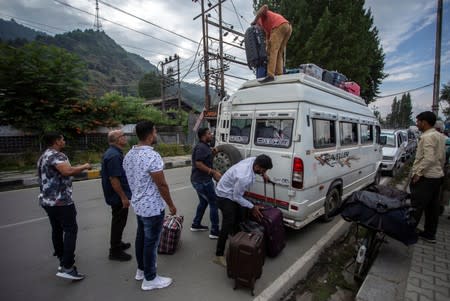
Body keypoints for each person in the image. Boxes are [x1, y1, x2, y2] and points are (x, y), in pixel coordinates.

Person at [123, 121, 177, 291]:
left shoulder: (129, 155)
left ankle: (141, 270)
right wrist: (171, 205)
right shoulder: (152, 156)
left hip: (138, 205)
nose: (156, 134)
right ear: (149, 135)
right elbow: (162, 185)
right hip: (152, 208)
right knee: (151, 243)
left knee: (141, 238)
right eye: (155, 131)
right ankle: (150, 278)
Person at [37, 132, 91, 280]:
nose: (64, 141)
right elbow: (67, 171)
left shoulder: (44, 155)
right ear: (56, 141)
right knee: (71, 230)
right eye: (62, 139)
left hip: (47, 201)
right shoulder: (57, 155)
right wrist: (84, 166)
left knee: (57, 229)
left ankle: (62, 258)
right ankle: (67, 267)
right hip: (61, 201)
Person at [214, 154, 273, 267]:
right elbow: (237, 197)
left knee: (240, 216)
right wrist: (252, 207)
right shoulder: (244, 177)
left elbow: (237, 197)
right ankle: (218, 255)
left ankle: (237, 243)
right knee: (228, 222)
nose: (263, 172)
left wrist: (264, 174)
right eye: (263, 170)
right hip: (224, 195)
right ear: (257, 166)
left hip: (232, 193)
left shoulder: (254, 160)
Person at [410, 111, 446, 243]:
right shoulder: (440, 136)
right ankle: (430, 234)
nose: (417, 123)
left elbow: (429, 158)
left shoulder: (427, 137)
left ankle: (408, 231)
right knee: (432, 207)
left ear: (424, 123)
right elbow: (442, 158)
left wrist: (418, 173)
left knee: (416, 206)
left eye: (418, 121)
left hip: (426, 177)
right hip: (437, 176)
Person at [101, 130, 132, 261]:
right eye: (123, 136)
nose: (125, 137)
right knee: (119, 222)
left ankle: (118, 243)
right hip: (117, 196)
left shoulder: (114, 153)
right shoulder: (114, 155)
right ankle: (114, 251)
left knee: (119, 220)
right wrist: (123, 197)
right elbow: (114, 179)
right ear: (117, 140)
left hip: (117, 195)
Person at [190, 127, 221, 239]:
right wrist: (213, 172)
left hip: (199, 180)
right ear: (204, 136)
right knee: (214, 203)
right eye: (209, 133)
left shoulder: (204, 146)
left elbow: (205, 160)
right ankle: (215, 231)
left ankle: (196, 224)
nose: (211, 135)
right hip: (202, 181)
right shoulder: (201, 147)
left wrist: (212, 153)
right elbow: (198, 164)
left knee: (203, 202)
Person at [251, 4, 292, 83]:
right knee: (279, 52)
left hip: (279, 25)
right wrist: (266, 47)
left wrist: (255, 20)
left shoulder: (260, 18)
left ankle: (270, 75)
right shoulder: (266, 27)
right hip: (288, 27)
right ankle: (279, 74)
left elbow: (265, 7)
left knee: (273, 51)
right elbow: (268, 38)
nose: (258, 29)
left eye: (257, 26)